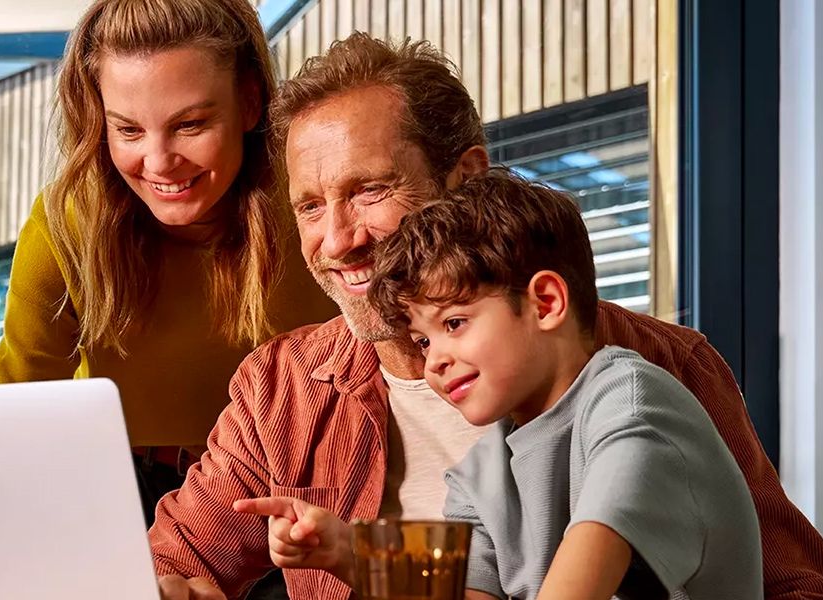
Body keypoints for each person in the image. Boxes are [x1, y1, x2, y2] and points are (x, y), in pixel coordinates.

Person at [148, 33, 823, 600]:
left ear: (466, 178)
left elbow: (804, 590)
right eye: (309, 205)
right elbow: (170, 562)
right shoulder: (284, 389)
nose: (336, 240)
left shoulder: (649, 384)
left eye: (370, 190)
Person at [263, 170, 763, 598]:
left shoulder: (635, 410)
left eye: (454, 324)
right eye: (421, 341)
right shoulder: (483, 470)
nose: (435, 360)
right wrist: (353, 555)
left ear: (545, 302)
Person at [0, 0, 339, 521]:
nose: (158, 163)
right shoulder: (66, 225)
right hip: (116, 491)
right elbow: (14, 418)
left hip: (296, 487)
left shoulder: (315, 208)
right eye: (128, 130)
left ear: (249, 102)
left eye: (190, 125)